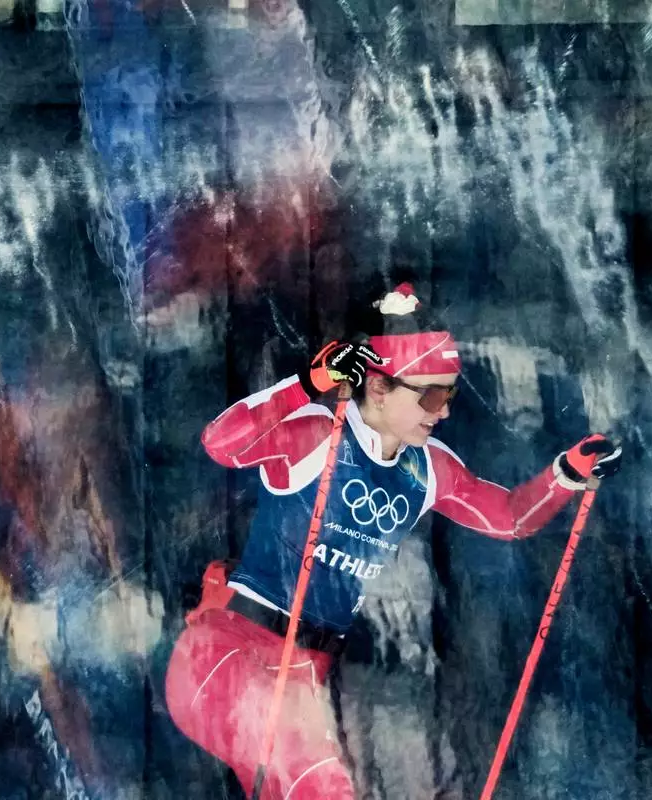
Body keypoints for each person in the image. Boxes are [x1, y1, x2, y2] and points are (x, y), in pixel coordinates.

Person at [164, 283, 622, 799]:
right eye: (430, 394)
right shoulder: (318, 433)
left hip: (300, 679)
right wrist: (307, 383)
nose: (443, 410)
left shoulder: (428, 469)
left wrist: (565, 474)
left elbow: (511, 517)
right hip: (228, 660)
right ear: (378, 388)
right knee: (323, 787)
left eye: (448, 393)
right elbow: (221, 443)